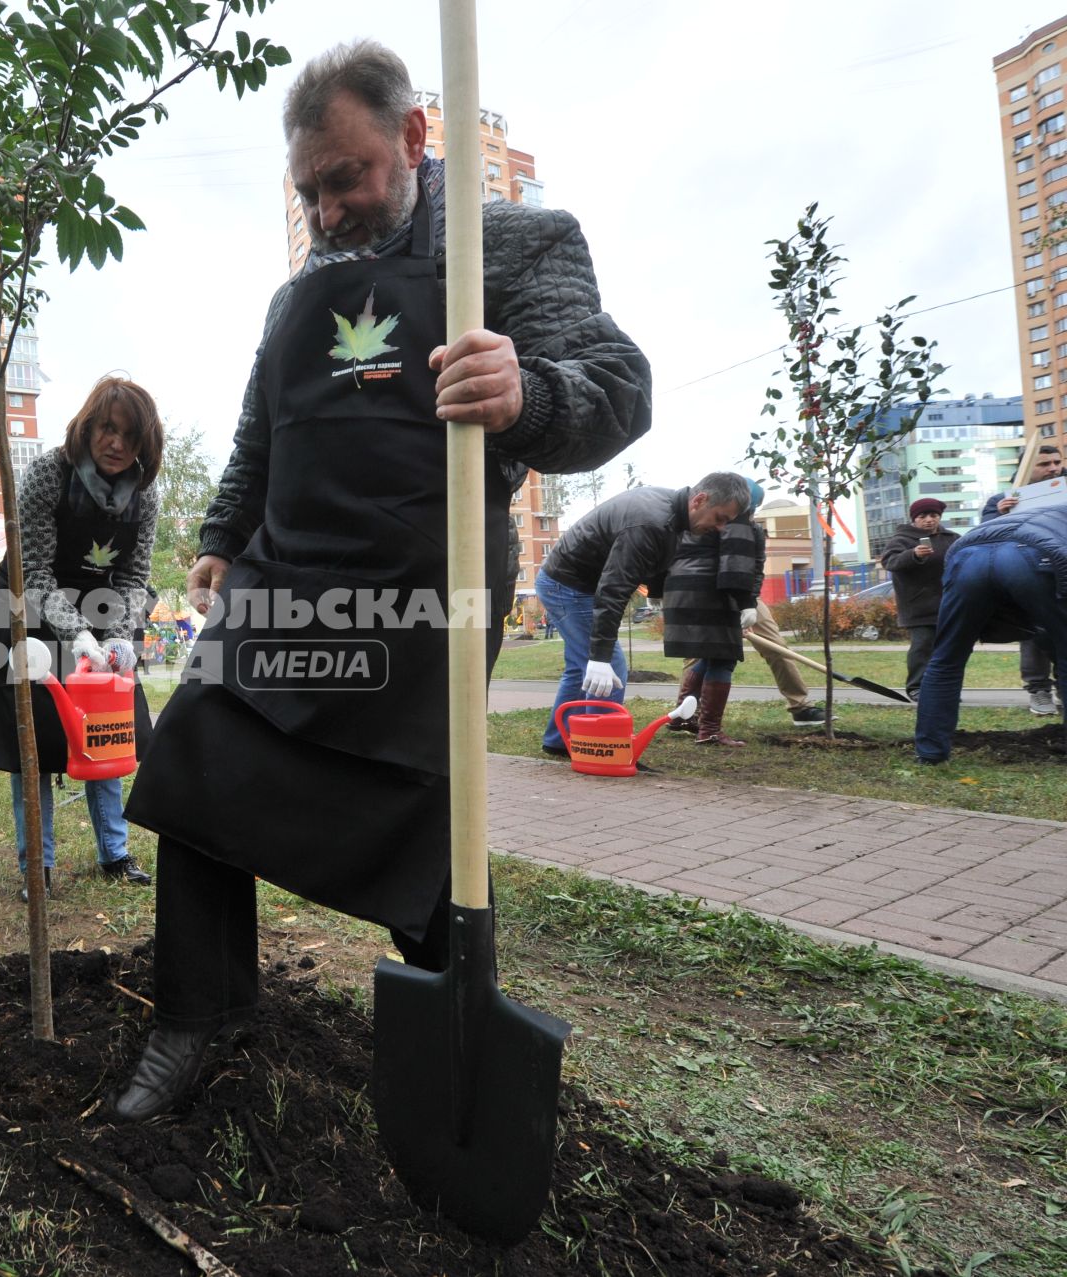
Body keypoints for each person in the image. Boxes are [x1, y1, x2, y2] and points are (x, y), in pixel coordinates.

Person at [107, 42, 652, 1122]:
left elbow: (618, 389)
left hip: (427, 583)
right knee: (200, 761)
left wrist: (528, 391)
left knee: (414, 814)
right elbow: (262, 436)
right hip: (286, 579)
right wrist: (221, 537)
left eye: (345, 178)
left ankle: (458, 1043)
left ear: (412, 139)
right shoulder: (294, 297)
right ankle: (197, 1015)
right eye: (308, 190)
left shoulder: (513, 244)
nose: (327, 210)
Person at [0, 375, 162, 899]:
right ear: (88, 427)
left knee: (106, 732)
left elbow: (134, 577)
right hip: (28, 609)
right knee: (35, 744)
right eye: (108, 429)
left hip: (101, 605)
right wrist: (78, 636)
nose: (117, 444)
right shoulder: (48, 474)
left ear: (144, 445)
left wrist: (117, 634)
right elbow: (34, 573)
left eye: (130, 436)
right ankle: (36, 866)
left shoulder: (145, 493)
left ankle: (115, 852)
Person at [536, 474, 751, 756]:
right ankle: (602, 750)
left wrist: (660, 597)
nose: (722, 528)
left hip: (575, 582)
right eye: (720, 518)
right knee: (608, 668)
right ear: (700, 500)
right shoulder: (649, 522)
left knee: (580, 668)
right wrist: (599, 657)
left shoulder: (676, 514)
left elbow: (660, 563)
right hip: (568, 585)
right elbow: (613, 590)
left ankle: (560, 741)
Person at [914, 500, 1067, 763]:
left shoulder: (1045, 510)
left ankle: (930, 753)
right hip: (1033, 553)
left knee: (946, 660)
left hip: (967, 555)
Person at [660, 495, 763, 747]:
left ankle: (680, 718)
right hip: (713, 593)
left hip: (680, 591)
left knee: (709, 656)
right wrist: (746, 602)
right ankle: (710, 730)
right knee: (724, 658)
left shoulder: (695, 517)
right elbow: (737, 564)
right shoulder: (736, 523)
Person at [980, 443, 1064, 715]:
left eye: (1056, 462)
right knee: (1034, 634)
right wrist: (1001, 516)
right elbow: (985, 540)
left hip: (1062, 574)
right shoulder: (1001, 501)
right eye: (1044, 464)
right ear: (1027, 469)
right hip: (1029, 578)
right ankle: (1038, 689)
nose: (1053, 468)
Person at [879, 497, 960, 701]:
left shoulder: (951, 538)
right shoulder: (902, 539)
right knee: (922, 647)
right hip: (918, 606)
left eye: (934, 515)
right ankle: (916, 687)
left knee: (949, 649)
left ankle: (945, 688)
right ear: (914, 519)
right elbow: (890, 562)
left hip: (949, 604)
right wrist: (913, 554)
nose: (929, 520)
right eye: (922, 516)